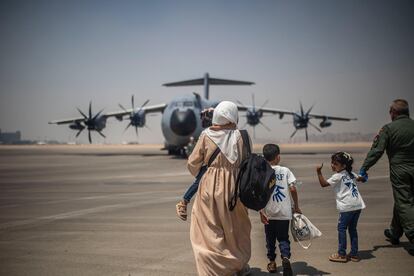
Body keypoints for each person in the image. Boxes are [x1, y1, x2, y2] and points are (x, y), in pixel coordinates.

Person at [187, 101, 252, 276]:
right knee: (236, 229)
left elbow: (192, 163)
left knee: (208, 229)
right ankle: (238, 265)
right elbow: (248, 161)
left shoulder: (206, 135)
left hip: (210, 187)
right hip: (236, 188)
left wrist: (210, 170)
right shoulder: (242, 136)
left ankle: (215, 269)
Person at [358, 99, 414, 253]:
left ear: (393, 112)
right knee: (403, 200)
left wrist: (364, 168)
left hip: (400, 170)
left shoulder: (388, 129)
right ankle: (395, 232)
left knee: (404, 201)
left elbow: (377, 151)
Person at [316, 152, 366, 262]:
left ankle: (342, 254)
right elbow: (360, 178)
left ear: (343, 166)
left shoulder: (337, 176)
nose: (332, 165)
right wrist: (363, 177)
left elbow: (323, 184)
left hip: (347, 207)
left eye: (335, 163)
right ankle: (354, 254)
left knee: (341, 229)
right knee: (352, 229)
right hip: (357, 205)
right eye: (332, 163)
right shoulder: (351, 173)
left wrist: (319, 172)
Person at [260, 144, 301, 275]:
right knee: (283, 238)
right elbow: (293, 189)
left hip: (268, 213)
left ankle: (272, 262)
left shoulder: (262, 172)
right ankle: (285, 257)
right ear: (278, 157)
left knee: (270, 239)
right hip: (284, 213)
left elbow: (260, 194)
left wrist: (261, 211)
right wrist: (296, 206)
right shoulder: (285, 171)